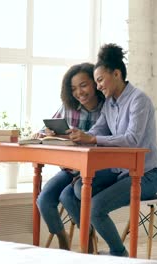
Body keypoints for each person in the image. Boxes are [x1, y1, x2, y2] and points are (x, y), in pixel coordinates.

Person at [64, 43, 157, 257]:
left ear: (117, 74)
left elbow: (132, 140)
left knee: (96, 207)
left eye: (100, 80)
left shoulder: (139, 100)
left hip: (146, 174)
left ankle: (119, 255)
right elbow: (96, 130)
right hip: (121, 172)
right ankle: (90, 249)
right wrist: (74, 136)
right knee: (77, 188)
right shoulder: (110, 104)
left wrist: (92, 138)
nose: (98, 86)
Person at [35, 62, 105, 250]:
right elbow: (45, 129)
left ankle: (88, 238)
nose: (79, 92)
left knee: (68, 197)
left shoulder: (108, 108)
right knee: (44, 200)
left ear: (95, 83)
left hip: (94, 172)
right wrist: (45, 133)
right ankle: (62, 238)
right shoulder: (68, 107)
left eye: (83, 85)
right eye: (73, 88)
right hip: (69, 170)